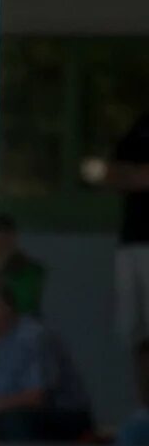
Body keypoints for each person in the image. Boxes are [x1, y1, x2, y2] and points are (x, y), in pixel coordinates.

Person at [0, 284, 94, 446]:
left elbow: (37, 397)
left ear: (6, 308)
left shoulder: (34, 337)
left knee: (16, 419)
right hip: (11, 412)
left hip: (65, 414)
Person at [86, 113, 149, 407]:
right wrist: (131, 176)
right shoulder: (141, 125)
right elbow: (104, 173)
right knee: (137, 334)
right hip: (133, 243)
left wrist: (132, 176)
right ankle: (144, 413)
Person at [0, 212, 48, 319]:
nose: (2, 241)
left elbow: (25, 304)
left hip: (21, 326)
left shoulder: (32, 270)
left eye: (6, 236)